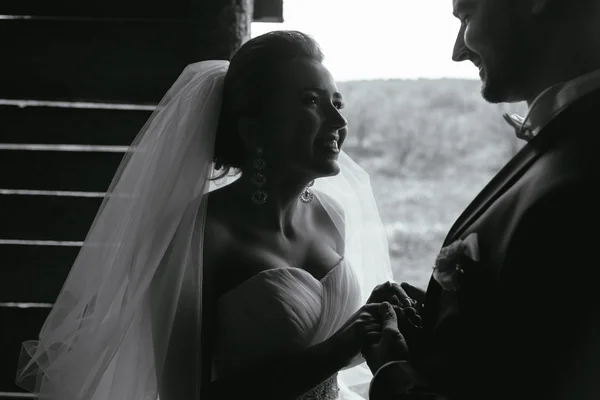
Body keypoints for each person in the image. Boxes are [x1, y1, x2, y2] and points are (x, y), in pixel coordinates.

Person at [15, 31, 400, 400]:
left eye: (338, 103)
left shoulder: (330, 216)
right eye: (311, 102)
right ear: (254, 130)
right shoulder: (200, 233)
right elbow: (186, 395)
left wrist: (370, 318)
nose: (338, 122)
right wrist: (334, 352)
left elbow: (326, 345)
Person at [363, 0, 600, 399]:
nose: (458, 51)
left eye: (467, 15)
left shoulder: (585, 170)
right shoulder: (565, 137)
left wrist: (392, 374)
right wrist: (444, 322)